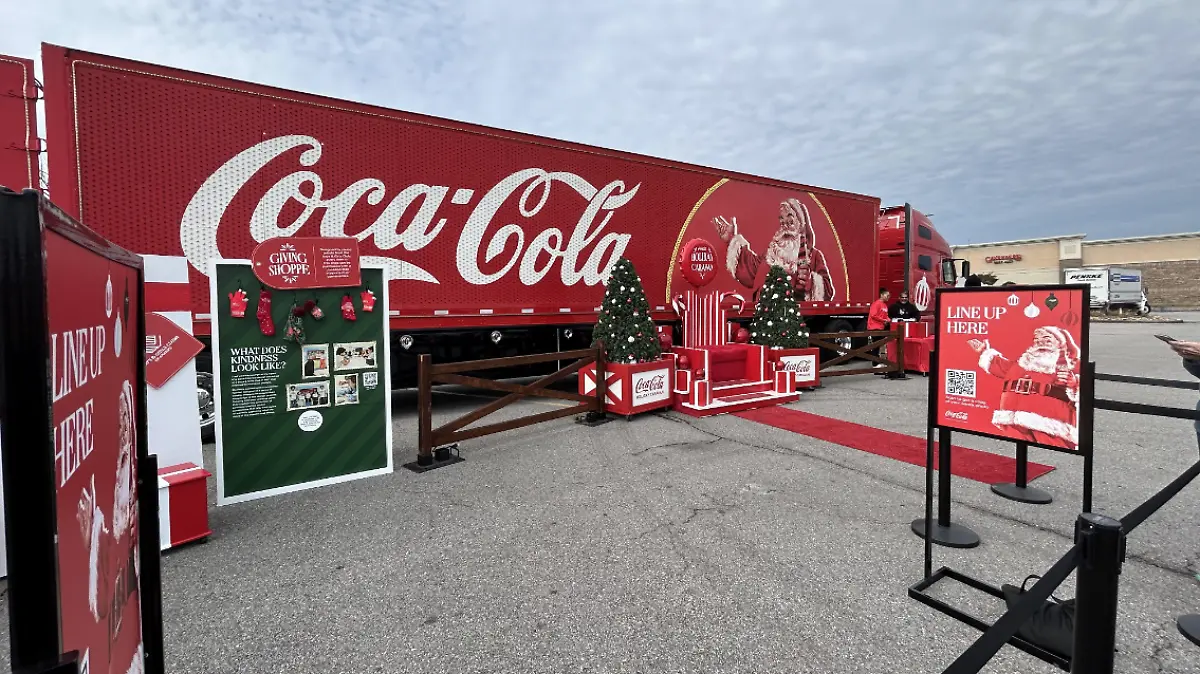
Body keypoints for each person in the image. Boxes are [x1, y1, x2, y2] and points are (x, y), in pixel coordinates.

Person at [967, 326, 1081, 448]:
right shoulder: (1020, 364)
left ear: (1060, 343)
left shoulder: (1067, 364)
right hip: (1013, 420)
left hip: (1052, 424)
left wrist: (1075, 382)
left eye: (1047, 339)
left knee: (1054, 448)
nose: (1041, 342)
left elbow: (1085, 380)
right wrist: (984, 352)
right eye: (1037, 339)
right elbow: (1000, 365)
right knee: (1018, 447)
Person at [713, 197, 835, 301]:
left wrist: (811, 282)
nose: (785, 225)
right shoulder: (772, 253)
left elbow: (827, 290)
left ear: (801, 224)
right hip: (765, 318)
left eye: (790, 221)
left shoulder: (813, 256)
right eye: (782, 221)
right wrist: (731, 238)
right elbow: (751, 269)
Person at [868, 288, 891, 369]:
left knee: (882, 344)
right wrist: (884, 320)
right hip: (874, 327)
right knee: (876, 346)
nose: (888, 297)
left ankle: (881, 361)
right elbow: (873, 315)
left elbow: (885, 316)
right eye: (887, 295)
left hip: (881, 327)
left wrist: (889, 320)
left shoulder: (885, 305)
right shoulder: (876, 304)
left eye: (889, 295)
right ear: (882, 295)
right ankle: (875, 364)